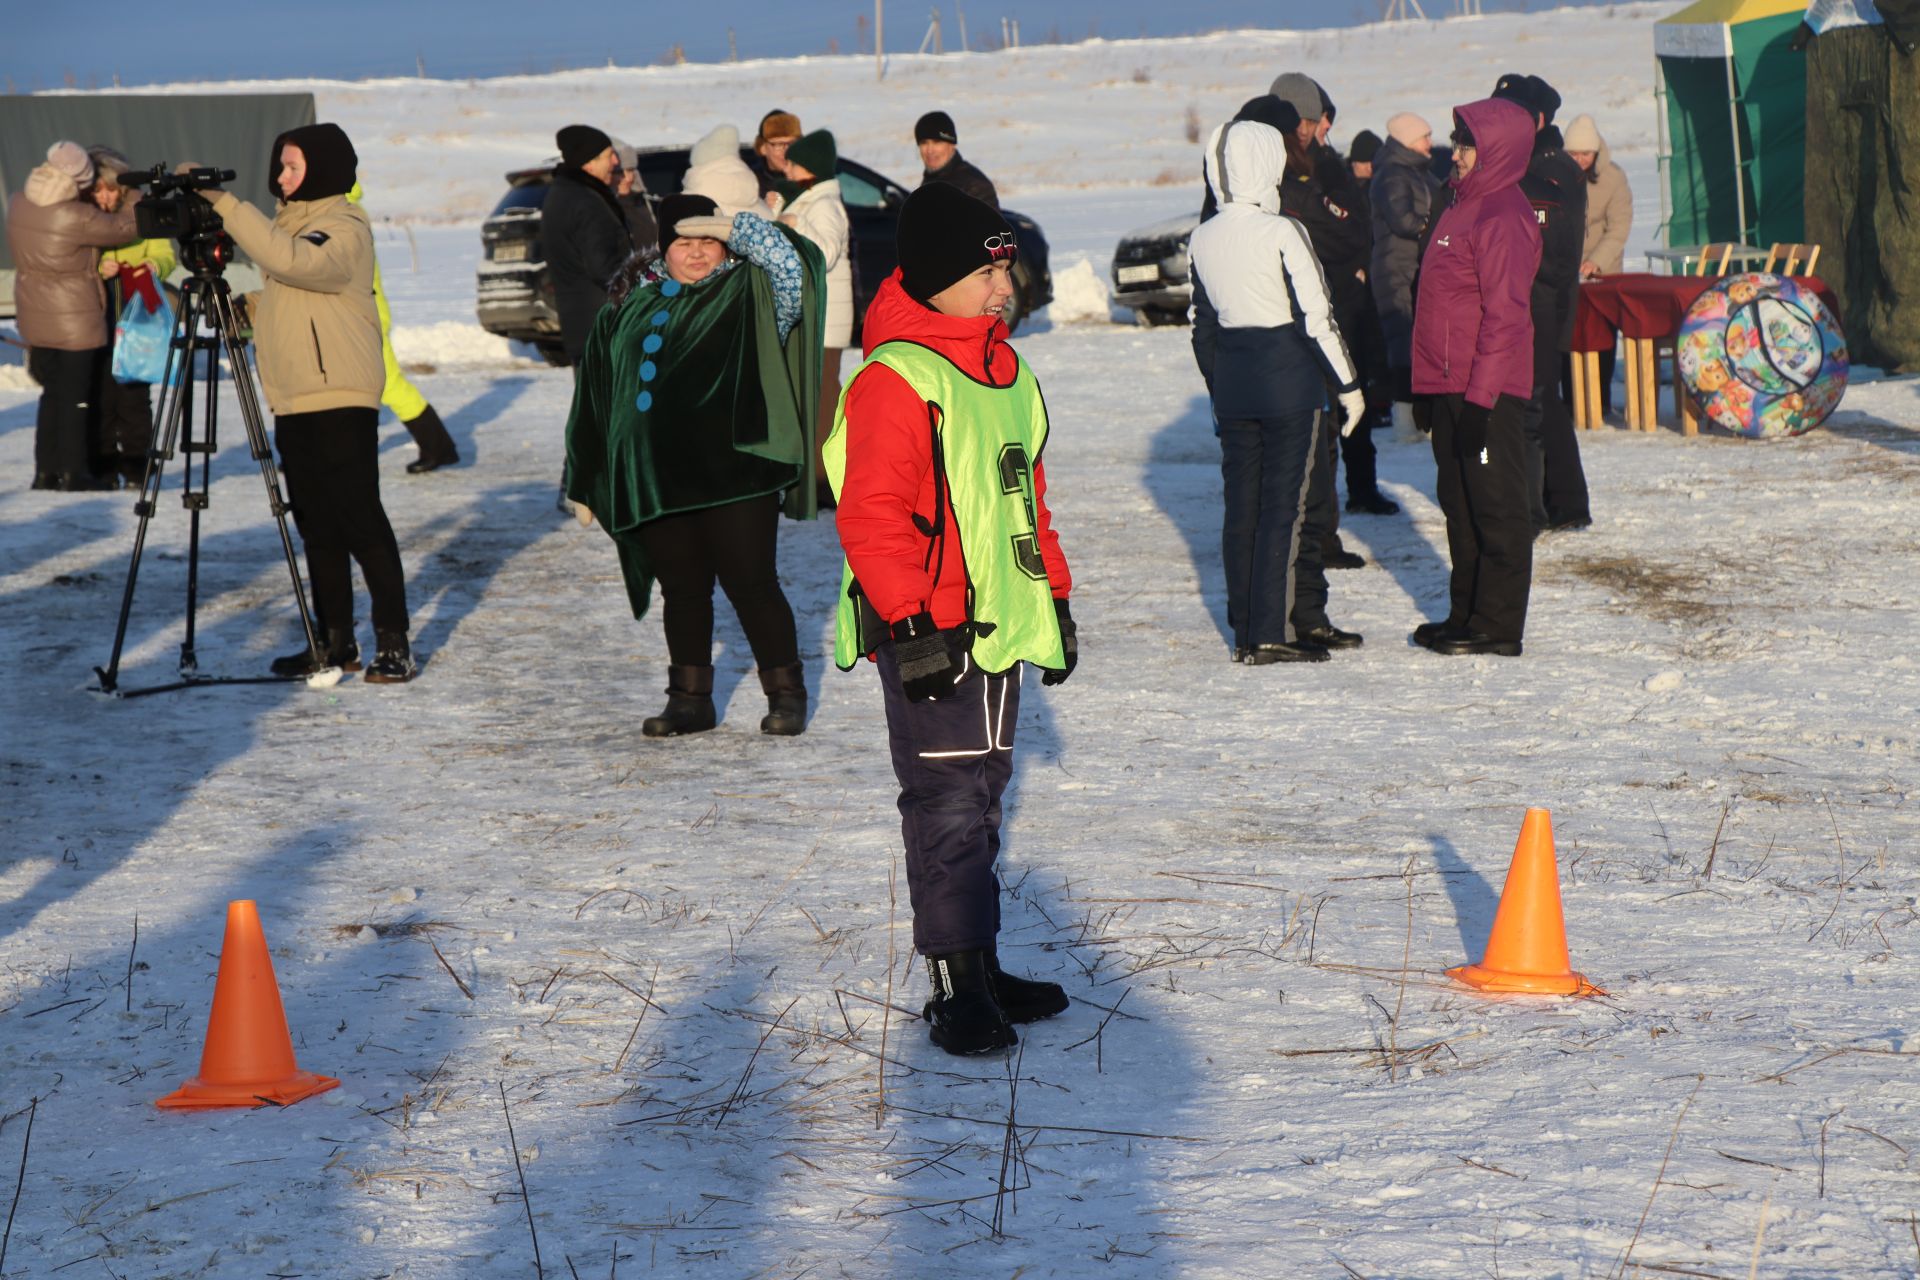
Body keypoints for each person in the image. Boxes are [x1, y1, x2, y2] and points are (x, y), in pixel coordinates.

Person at [823, 183, 1075, 1056]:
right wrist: (907, 621)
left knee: (984, 794)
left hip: (998, 620)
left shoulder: (1006, 369)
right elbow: (872, 514)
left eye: (1006, 272)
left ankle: (983, 963)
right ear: (935, 278)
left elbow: (1025, 492)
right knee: (945, 802)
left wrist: (1060, 599)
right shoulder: (896, 378)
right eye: (985, 274)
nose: (1003, 291)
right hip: (927, 628)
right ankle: (953, 984)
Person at [564, 194, 826, 738]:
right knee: (681, 591)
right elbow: (598, 389)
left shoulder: (749, 290)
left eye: (709, 240)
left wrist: (735, 226)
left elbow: (791, 266)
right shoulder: (629, 304)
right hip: (657, 479)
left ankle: (786, 694)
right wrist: (584, 473)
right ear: (665, 247)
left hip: (736, 474)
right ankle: (689, 699)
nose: (698, 252)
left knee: (752, 584)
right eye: (685, 241)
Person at [192, 123, 416, 681]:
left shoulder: (344, 225)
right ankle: (335, 641)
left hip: (339, 394)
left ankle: (394, 641)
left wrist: (226, 205)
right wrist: (239, 306)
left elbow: (303, 265)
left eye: (293, 167)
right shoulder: (290, 231)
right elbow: (290, 294)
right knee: (316, 526)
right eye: (281, 166)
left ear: (325, 168)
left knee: (360, 519)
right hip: (294, 399)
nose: (282, 177)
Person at [1191, 116, 1368, 665]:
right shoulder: (1282, 230)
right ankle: (1271, 631)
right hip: (1289, 385)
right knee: (1285, 510)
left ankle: (1246, 628)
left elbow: (1202, 327)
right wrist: (1350, 385)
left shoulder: (1204, 236)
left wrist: (1221, 386)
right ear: (1268, 164)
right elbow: (1318, 319)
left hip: (1236, 387)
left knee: (1241, 507)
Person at [1409, 100, 1542, 658]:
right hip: (1450, 387)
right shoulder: (1459, 205)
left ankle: (1497, 624)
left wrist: (1482, 400)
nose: (1455, 154)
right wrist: (1425, 390)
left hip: (1487, 393)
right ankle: (1464, 613)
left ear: (1495, 152)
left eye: (1466, 146)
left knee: (1495, 504)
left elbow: (1505, 316)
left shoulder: (1503, 216)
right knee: (1458, 504)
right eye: (1455, 142)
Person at [1270, 74, 1384, 550]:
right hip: (1286, 318)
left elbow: (1355, 229)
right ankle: (1314, 536)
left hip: (1337, 306)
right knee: (1311, 429)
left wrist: (1351, 267)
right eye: (1310, 123)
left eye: (1318, 122)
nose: (1317, 131)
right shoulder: (1268, 171)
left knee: (1343, 410)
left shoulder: (1326, 169)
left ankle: (1338, 515)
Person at [6, 140, 136, 491]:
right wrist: (136, 194)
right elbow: (126, 229)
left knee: (52, 396)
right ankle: (75, 473)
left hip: (34, 311)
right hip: (72, 317)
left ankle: (45, 472)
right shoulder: (74, 216)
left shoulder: (19, 202)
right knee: (77, 397)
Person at [1492, 74, 1590, 534]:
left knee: (1540, 402)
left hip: (1544, 303)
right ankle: (1556, 499)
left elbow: (1558, 251)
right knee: (1539, 401)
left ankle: (1562, 502)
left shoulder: (1552, 169)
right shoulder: (1532, 163)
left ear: (1537, 119)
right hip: (1533, 302)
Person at [343, 181, 460, 474]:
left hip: (366, 314)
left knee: (389, 384)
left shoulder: (345, 212)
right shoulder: (337, 210)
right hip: (355, 314)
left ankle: (440, 447)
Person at [767, 129, 853, 506]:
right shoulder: (808, 199)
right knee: (809, 399)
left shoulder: (825, 204)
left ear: (812, 168)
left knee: (821, 402)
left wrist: (794, 221)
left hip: (827, 320)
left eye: (795, 162)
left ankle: (823, 484)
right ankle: (811, 480)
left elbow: (826, 252)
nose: (787, 167)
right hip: (813, 314)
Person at [86, 145, 173, 488]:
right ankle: (103, 465)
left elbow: (165, 253)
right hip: (99, 316)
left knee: (135, 396)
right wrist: (96, 267)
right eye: (98, 190)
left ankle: (138, 465)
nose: (105, 197)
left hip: (137, 317)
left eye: (111, 189)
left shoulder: (142, 211)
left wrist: (155, 265)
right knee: (102, 396)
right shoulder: (85, 216)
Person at [1370, 114, 1440, 443]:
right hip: (1396, 268)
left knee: (1418, 342)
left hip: (1416, 265)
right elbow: (1403, 221)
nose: (1429, 142)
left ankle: (1419, 416)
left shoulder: (1417, 171)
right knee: (1402, 343)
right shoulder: (1392, 174)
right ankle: (1404, 421)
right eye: (1424, 137)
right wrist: (1434, 224)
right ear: (1409, 140)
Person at [1564, 113, 1632, 416]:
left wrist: (1596, 262)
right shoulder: (1553, 174)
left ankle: (1602, 399)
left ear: (1596, 153)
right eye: (1574, 154)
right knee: (1566, 335)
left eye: (1586, 154)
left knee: (1603, 332)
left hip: (1604, 269)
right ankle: (1571, 401)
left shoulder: (1613, 178)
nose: (1580, 160)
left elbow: (1618, 227)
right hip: (1565, 266)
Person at [913, 111, 999, 208]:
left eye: (937, 142)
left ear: (952, 144)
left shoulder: (974, 186)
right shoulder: (929, 181)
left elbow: (986, 222)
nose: (930, 150)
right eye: (924, 143)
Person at [750, 109, 802, 196]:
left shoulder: (810, 177)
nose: (787, 151)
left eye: (792, 143)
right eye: (779, 145)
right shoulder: (750, 182)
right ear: (763, 148)